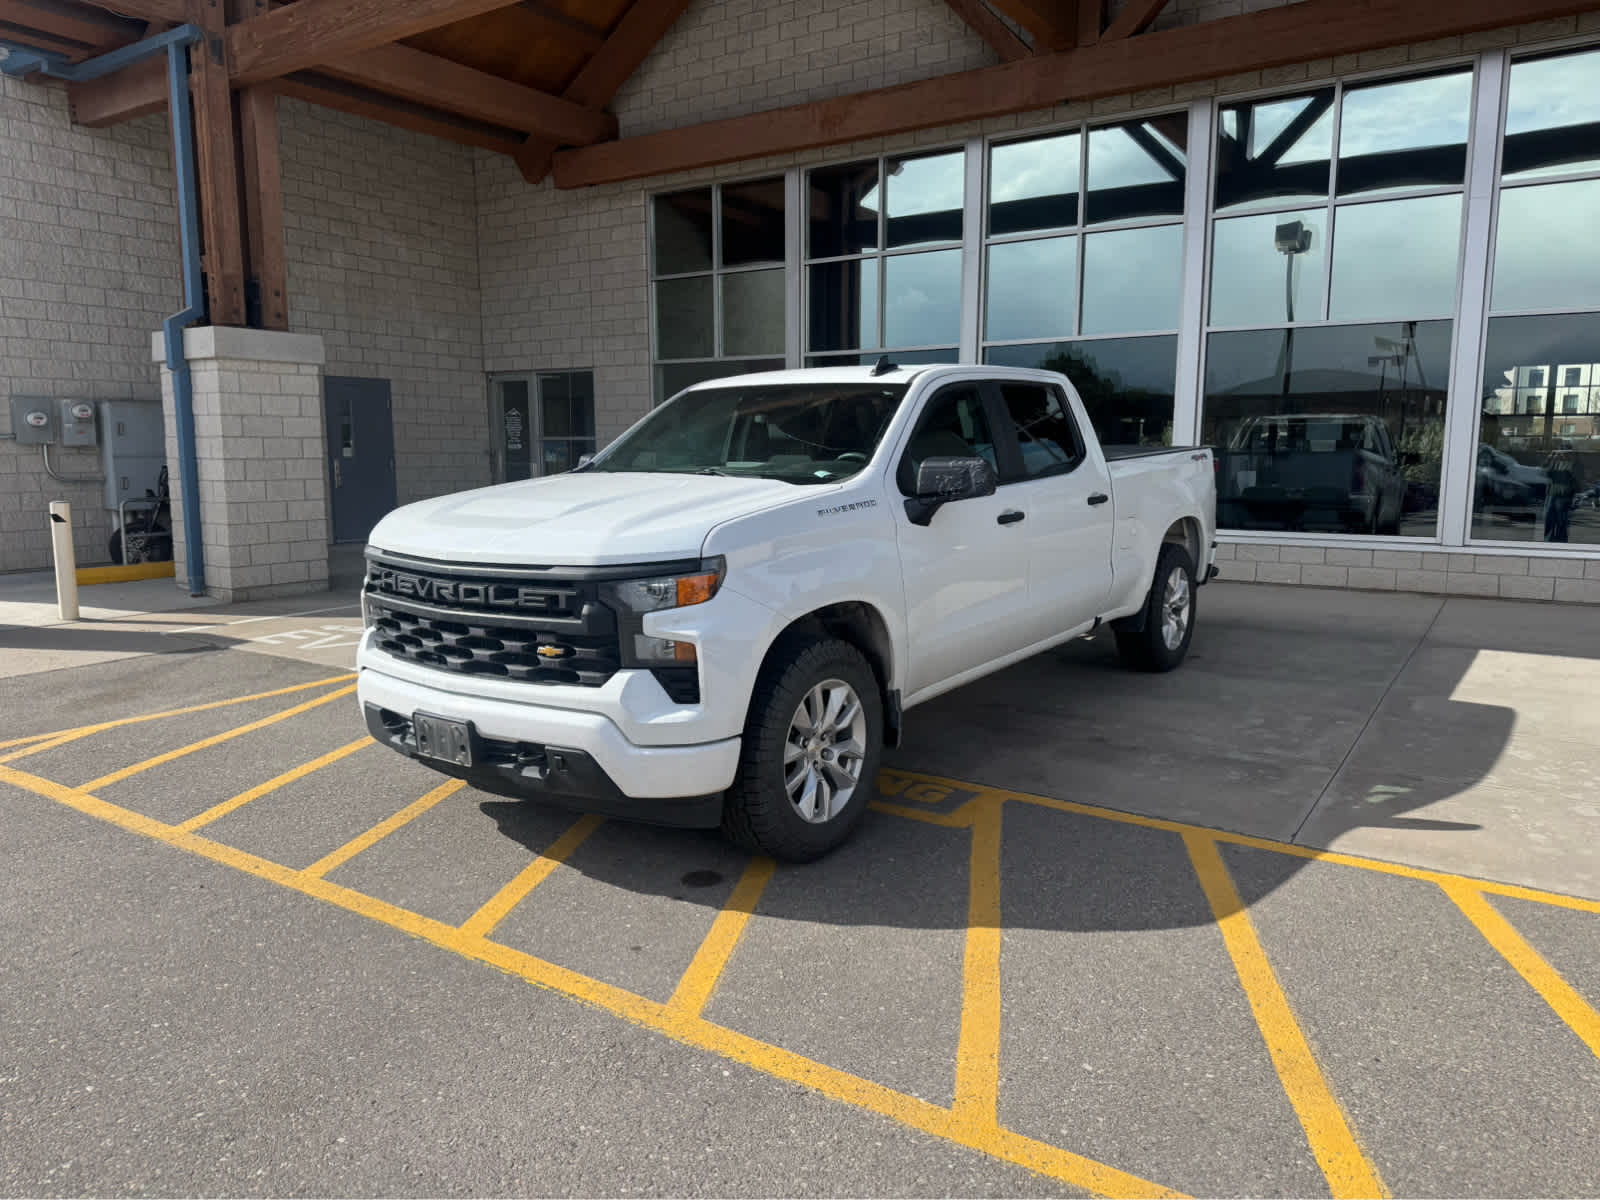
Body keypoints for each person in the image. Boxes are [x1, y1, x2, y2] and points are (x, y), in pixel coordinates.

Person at [1541, 444, 1585, 543]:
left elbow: (1578, 481)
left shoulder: (1575, 464)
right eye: (1561, 452)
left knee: (1561, 523)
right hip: (1551, 495)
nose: (1562, 455)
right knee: (1549, 520)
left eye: (1564, 452)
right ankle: (1548, 543)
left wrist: (1574, 496)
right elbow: (1543, 471)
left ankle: (1561, 545)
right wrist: (1550, 458)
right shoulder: (1555, 462)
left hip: (1564, 497)